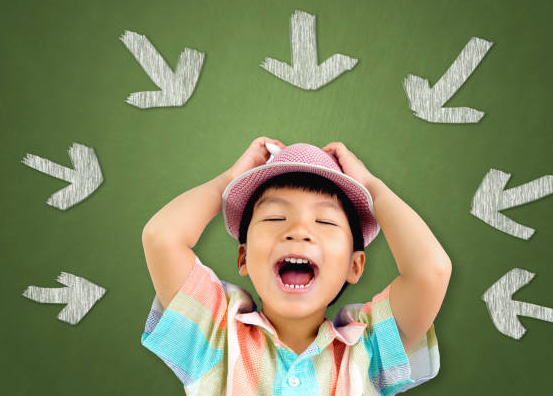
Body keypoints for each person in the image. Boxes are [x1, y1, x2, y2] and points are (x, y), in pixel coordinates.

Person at [141, 136, 451, 395]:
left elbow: (430, 270)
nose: (299, 230)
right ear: (244, 257)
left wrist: (372, 187)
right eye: (275, 217)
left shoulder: (367, 348)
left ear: (354, 266)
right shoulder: (216, 334)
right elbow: (162, 237)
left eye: (325, 221)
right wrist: (226, 182)